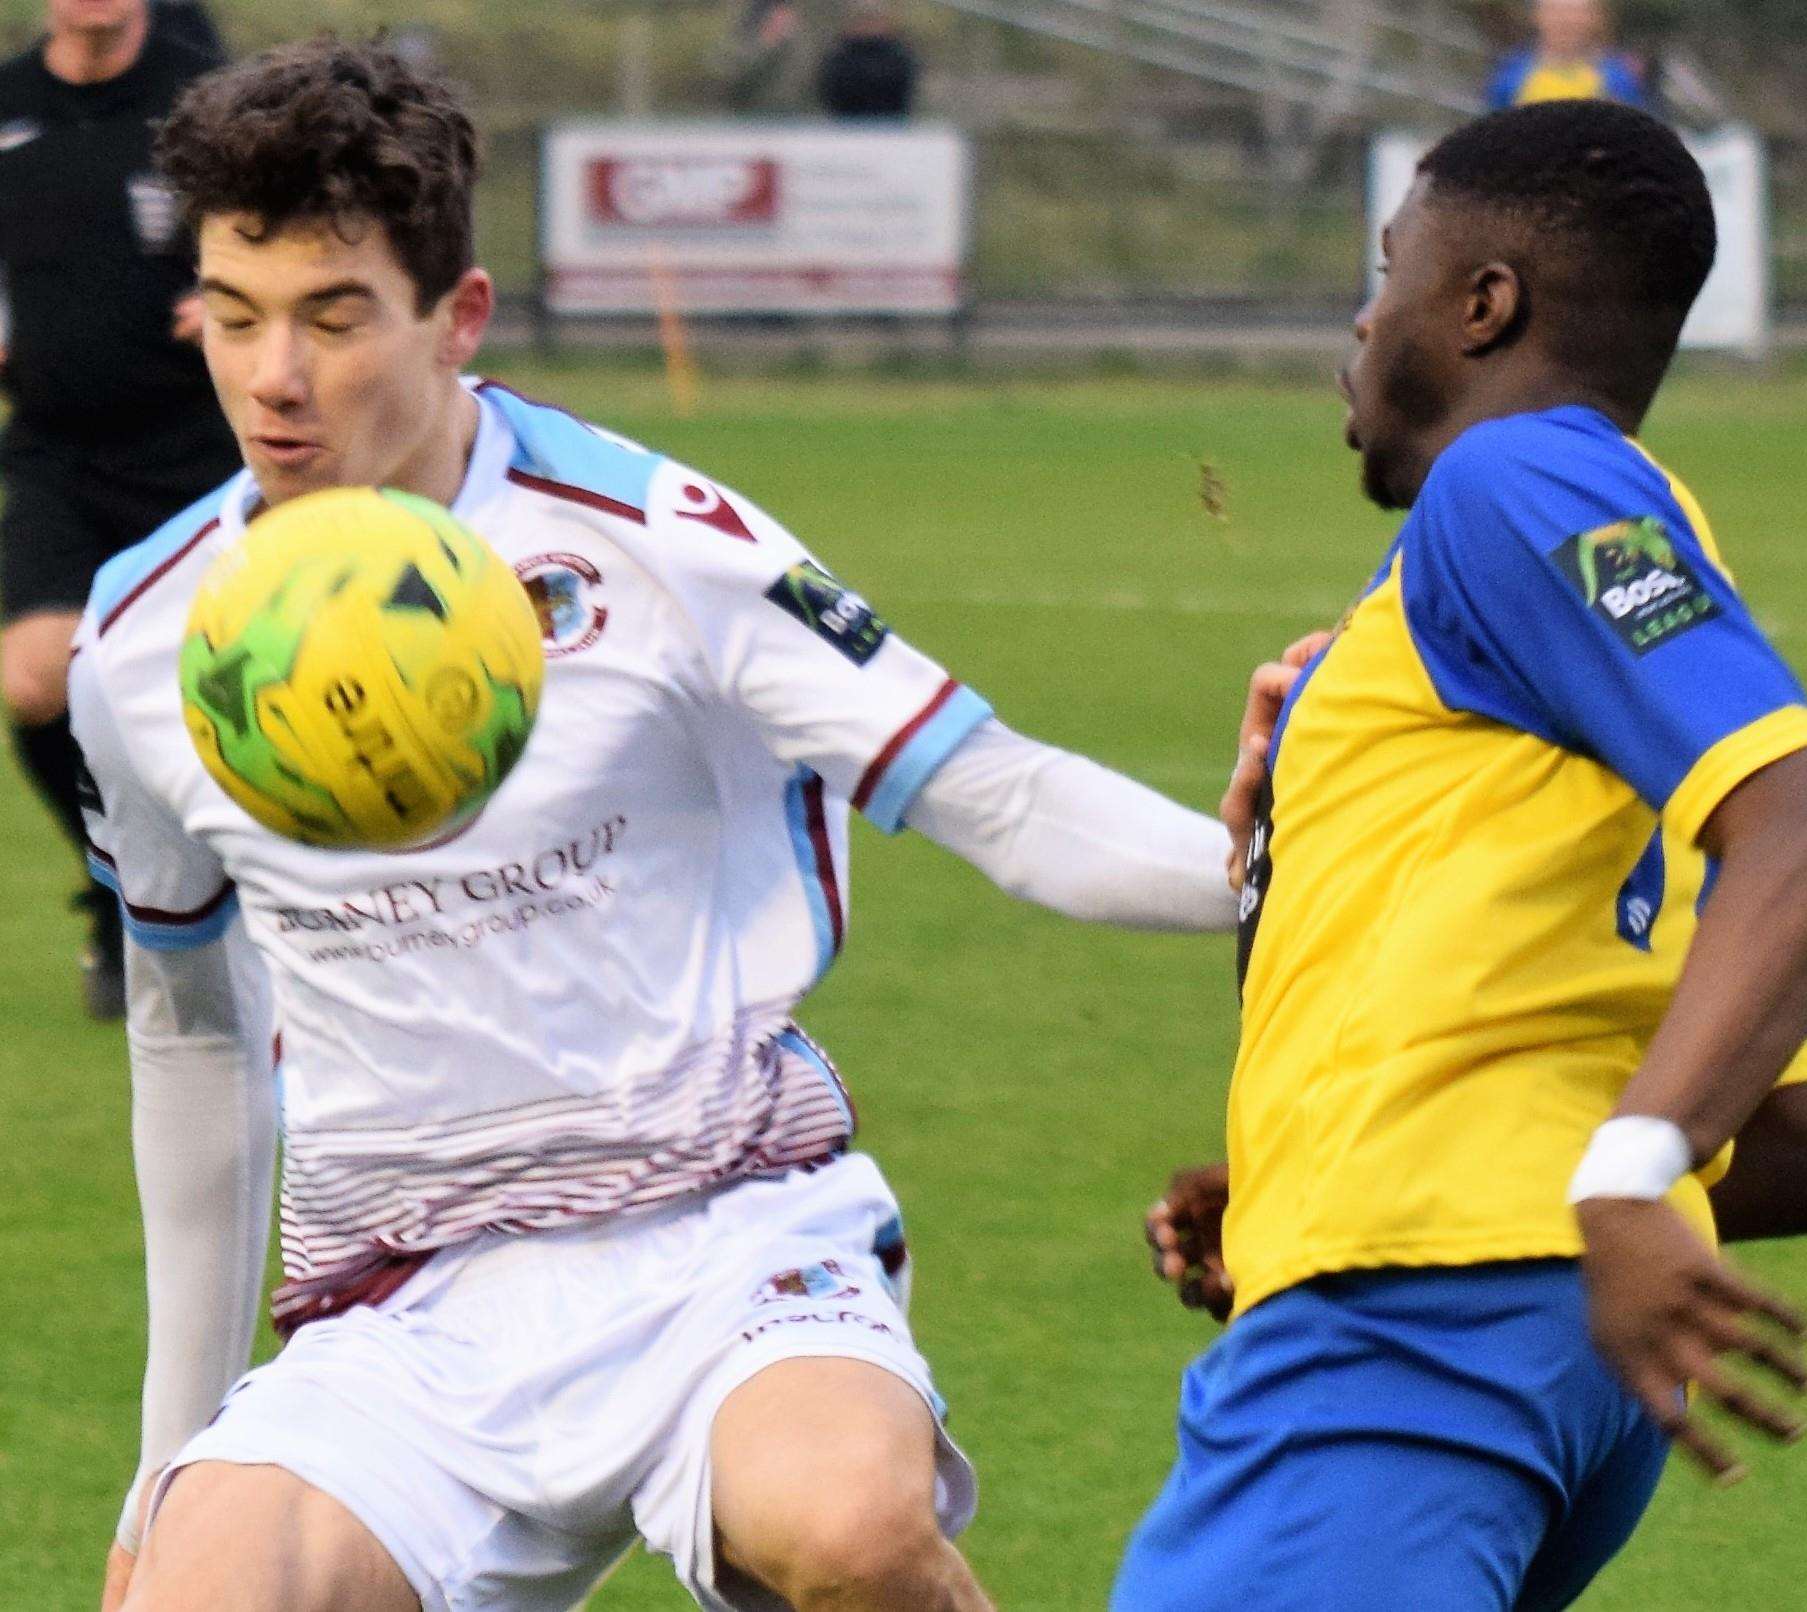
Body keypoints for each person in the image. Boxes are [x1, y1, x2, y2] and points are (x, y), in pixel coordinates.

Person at [77, 38, 1238, 1612]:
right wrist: (167, 1457)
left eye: (336, 318)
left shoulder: (660, 547)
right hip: (404, 1307)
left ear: (457, 317)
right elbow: (194, 1034)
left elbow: (1002, 795)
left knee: (847, 1529)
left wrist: (1289, 883)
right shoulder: (146, 642)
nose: (274, 378)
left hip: (728, 1240)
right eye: (235, 315)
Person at [1111, 99, 1807, 1612]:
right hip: (1535, 1342)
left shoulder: (1511, 480)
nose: (1360, 312)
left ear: (1482, 304)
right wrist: (1296, 1180)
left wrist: (1614, 1177)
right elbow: (1801, 1153)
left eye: (1389, 265)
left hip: (1415, 1329)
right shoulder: (1616, 659)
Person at [0, 0, 233, 1020]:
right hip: (57, 447)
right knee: (35, 684)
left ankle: (247, 902)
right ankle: (115, 890)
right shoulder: (7, 104)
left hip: (201, 448)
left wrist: (233, 287)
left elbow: (288, 218)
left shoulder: (205, 98)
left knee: (214, 686)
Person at [1486, 0, 1645, 111]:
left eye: (1575, 13)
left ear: (1594, 18)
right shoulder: (1510, 74)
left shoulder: (1618, 78)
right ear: (1537, 16)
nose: (1565, 20)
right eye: (1555, 11)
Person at [816, 0, 920, 121]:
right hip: (845, 129)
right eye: (863, 19)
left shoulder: (898, 56)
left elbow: (904, 91)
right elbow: (831, 92)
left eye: (872, 19)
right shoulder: (839, 57)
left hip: (891, 128)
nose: (868, 25)